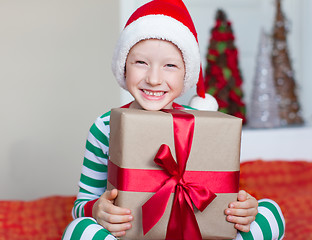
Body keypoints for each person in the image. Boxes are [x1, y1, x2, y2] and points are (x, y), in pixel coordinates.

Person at [62, 0, 285, 239]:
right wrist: (97, 210)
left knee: (271, 212)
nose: (154, 79)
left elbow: (224, 191)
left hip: (197, 232)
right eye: (141, 62)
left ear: (186, 73)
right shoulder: (104, 127)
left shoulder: (203, 124)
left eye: (170, 65)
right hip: (130, 234)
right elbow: (81, 205)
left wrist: (244, 207)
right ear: (123, 66)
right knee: (79, 231)